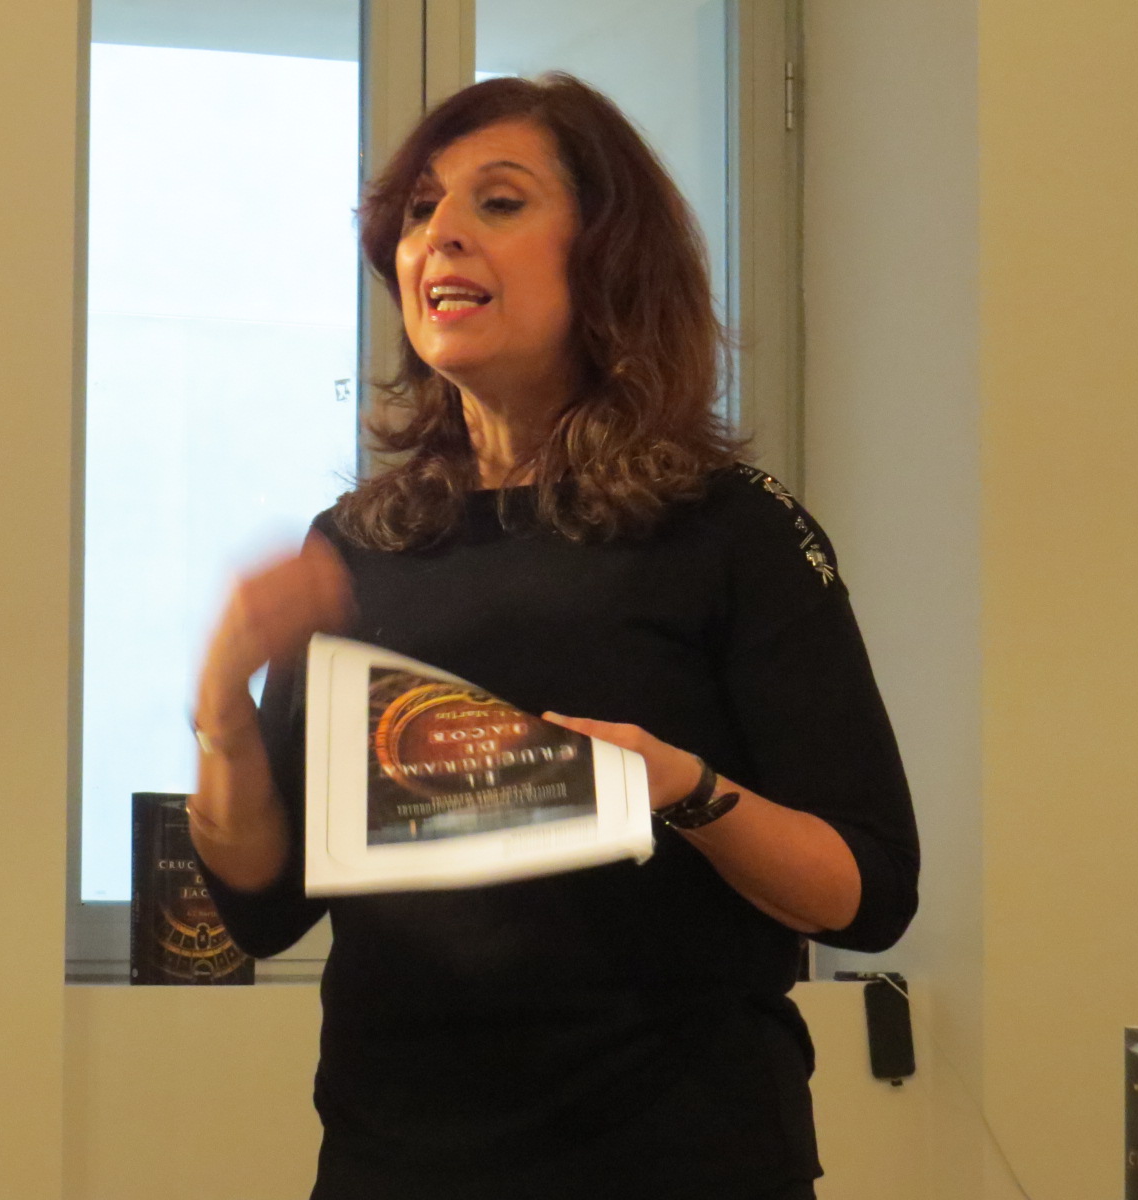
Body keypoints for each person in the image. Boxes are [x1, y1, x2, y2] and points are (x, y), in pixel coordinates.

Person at [188, 73, 919, 1200]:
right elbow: (261, 909)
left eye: (499, 201)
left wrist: (682, 787)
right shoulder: (357, 547)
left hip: (685, 1165)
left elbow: (867, 892)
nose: (440, 234)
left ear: (609, 254)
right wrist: (222, 717)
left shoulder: (733, 530)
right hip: (397, 1167)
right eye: (420, 209)